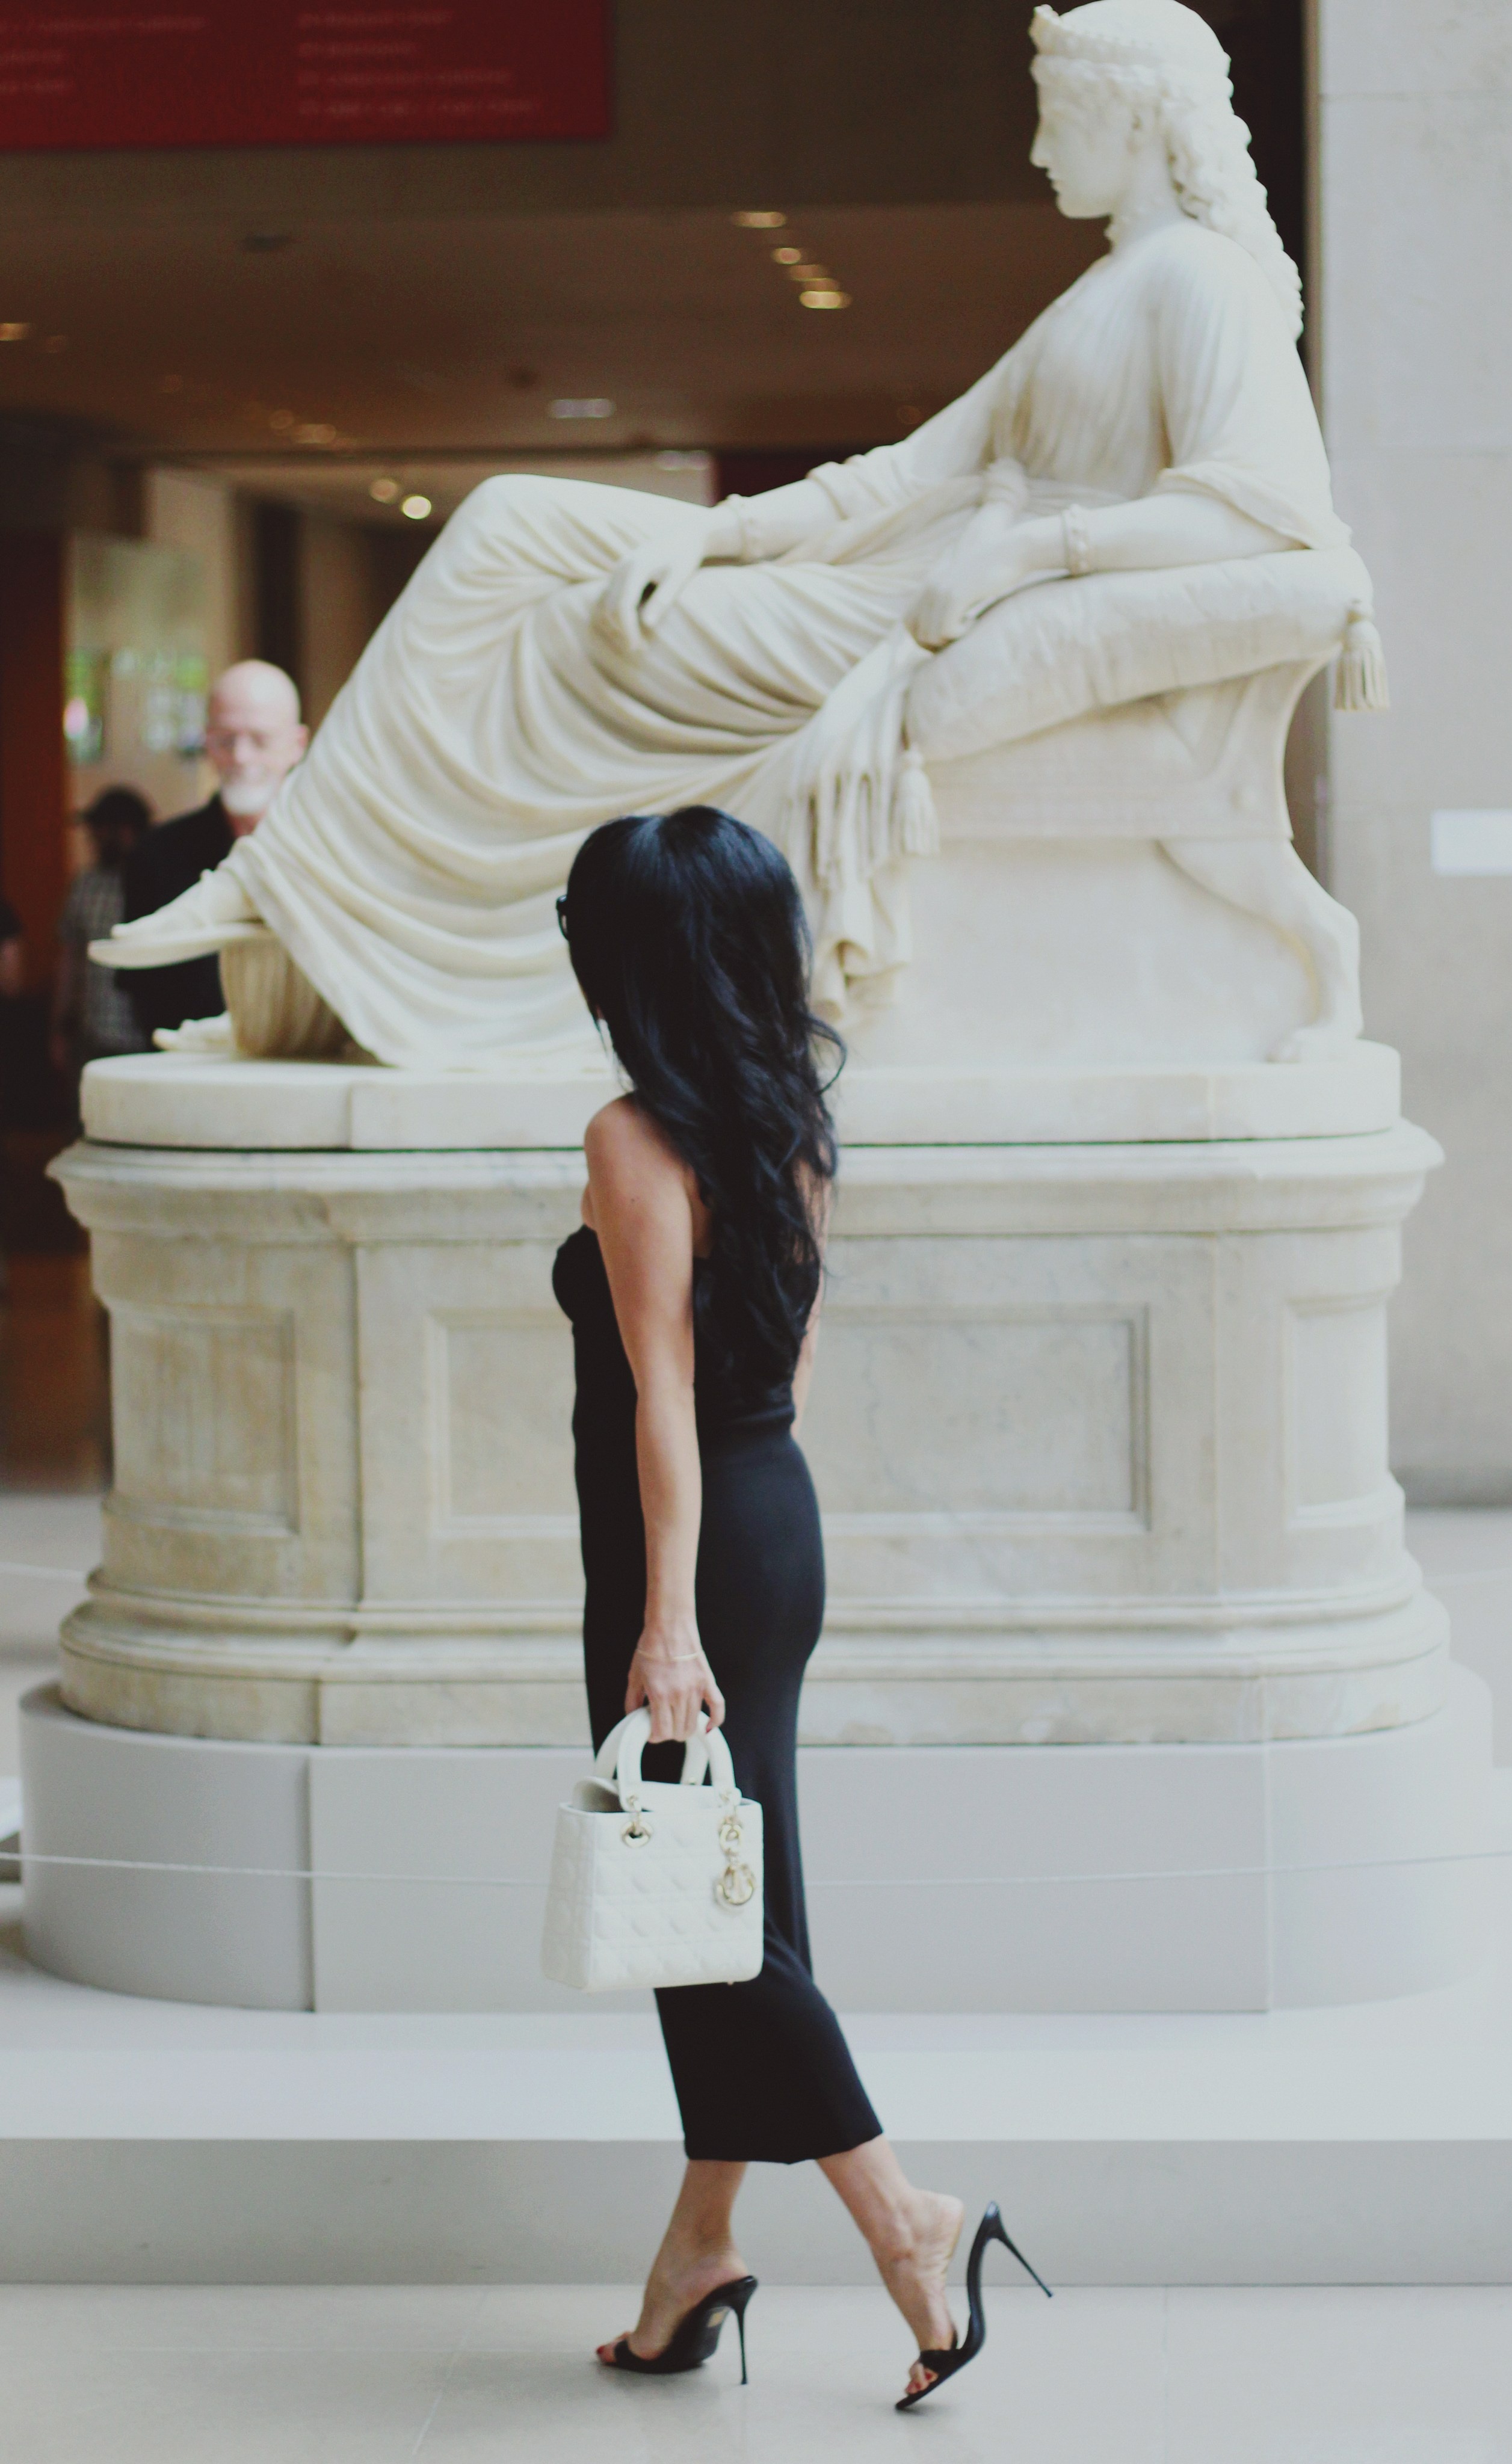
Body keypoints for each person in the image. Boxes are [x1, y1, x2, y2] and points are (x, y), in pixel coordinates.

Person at [93, 0, 1366, 1073]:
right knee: (509, 520)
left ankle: (361, 922)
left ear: (1134, 116)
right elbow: (900, 471)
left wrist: (1028, 556)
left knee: (561, 641)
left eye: (1058, 116)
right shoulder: (1103, 285)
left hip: (930, 600)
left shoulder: (1200, 283)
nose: (1036, 148)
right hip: (894, 561)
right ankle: (310, 869)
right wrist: (717, 537)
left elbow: (1256, 511)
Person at [551, 806, 1046, 2409]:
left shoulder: (634, 1140)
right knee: (722, 1901)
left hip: (682, 1554)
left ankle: (908, 2223)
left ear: (632, 962)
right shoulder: (789, 1125)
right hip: (777, 1522)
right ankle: (699, 2252)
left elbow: (662, 1400)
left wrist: (668, 1616)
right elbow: (789, 1362)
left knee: (713, 1918)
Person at [120, 660, 307, 1043]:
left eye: (260, 739)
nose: (241, 756)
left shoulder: (329, 852)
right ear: (207, 741)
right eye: (226, 739)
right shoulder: (156, 855)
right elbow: (143, 990)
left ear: (297, 745)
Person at [51, 787, 153, 1092]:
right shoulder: (86, 885)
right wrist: (59, 1027)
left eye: (99, 830)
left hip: (147, 1037)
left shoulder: (157, 882)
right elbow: (70, 959)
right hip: (93, 1034)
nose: (92, 839)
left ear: (125, 832)